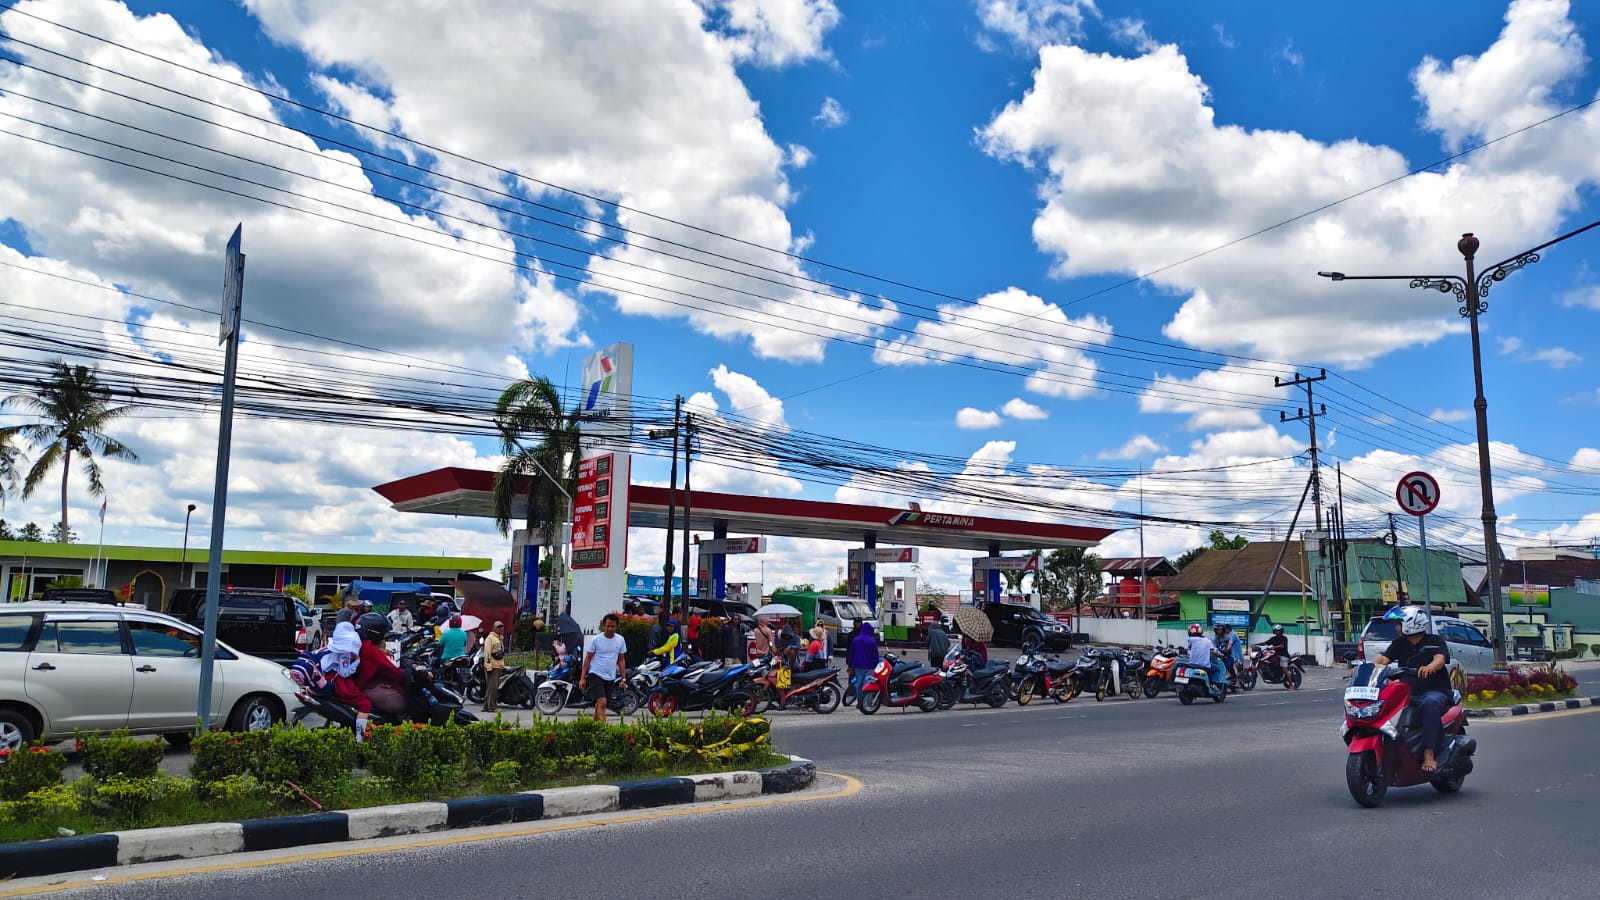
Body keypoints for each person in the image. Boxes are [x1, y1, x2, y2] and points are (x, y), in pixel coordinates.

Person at [1374, 606, 1452, 773]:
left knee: (1430, 704)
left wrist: (1430, 667)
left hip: (1435, 690)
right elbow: (1383, 660)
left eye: (1399, 623)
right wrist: (1363, 668)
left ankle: (1429, 754)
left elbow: (1440, 659)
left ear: (1412, 624)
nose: (1397, 627)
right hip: (1407, 692)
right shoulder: (1399, 643)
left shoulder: (1434, 641)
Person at [353, 612, 407, 719]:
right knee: (402, 705)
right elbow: (392, 672)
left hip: (357, 684)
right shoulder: (370, 650)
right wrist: (412, 675)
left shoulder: (359, 644)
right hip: (367, 687)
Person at [580, 614, 628, 722]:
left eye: (612, 626)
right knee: (602, 702)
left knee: (600, 704)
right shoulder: (596, 639)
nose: (610, 629)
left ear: (617, 627)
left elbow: (621, 660)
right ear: (603, 626)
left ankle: (595, 726)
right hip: (595, 674)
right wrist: (582, 678)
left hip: (610, 676)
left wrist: (623, 679)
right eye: (608, 626)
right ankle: (603, 729)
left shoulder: (620, 640)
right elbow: (588, 659)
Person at [846, 622, 880, 705]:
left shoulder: (855, 640)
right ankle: (865, 702)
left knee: (859, 683)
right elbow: (875, 655)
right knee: (867, 683)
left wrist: (850, 665)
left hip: (858, 666)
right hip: (869, 666)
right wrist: (876, 665)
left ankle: (859, 701)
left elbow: (851, 654)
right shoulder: (872, 641)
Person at [1186, 623, 1222, 693]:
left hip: (1192, 664)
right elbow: (1212, 652)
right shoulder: (1208, 641)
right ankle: (1213, 683)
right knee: (1217, 669)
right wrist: (1220, 655)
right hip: (1204, 665)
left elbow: (1190, 647)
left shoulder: (1191, 639)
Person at [482, 620, 507, 713]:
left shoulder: (500, 639)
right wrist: (488, 666)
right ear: (494, 628)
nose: (500, 629)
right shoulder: (490, 638)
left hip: (498, 665)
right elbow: (487, 653)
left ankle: (486, 706)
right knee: (492, 688)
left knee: (491, 687)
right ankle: (492, 707)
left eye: (501, 627)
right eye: (498, 627)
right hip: (492, 666)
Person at [1261, 624, 1293, 689]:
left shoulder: (1284, 638)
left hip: (1284, 656)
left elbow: (1283, 645)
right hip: (1276, 655)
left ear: (1281, 631)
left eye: (1278, 630)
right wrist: (1255, 644)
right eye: (1275, 630)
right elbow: (1265, 643)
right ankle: (1273, 674)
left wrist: (1274, 647)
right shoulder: (1273, 638)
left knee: (1284, 668)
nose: (1276, 632)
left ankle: (1291, 685)